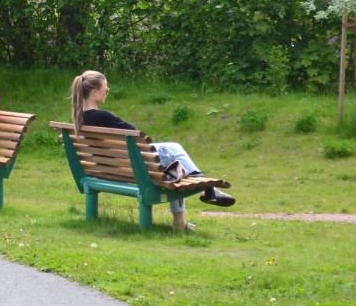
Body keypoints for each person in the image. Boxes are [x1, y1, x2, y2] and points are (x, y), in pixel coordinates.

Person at [71, 70, 235, 231]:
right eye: (105, 89)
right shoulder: (103, 117)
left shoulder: (80, 119)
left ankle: (205, 191)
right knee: (175, 151)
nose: (107, 92)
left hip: (107, 169)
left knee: (173, 168)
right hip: (130, 167)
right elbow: (136, 134)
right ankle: (205, 187)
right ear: (94, 91)